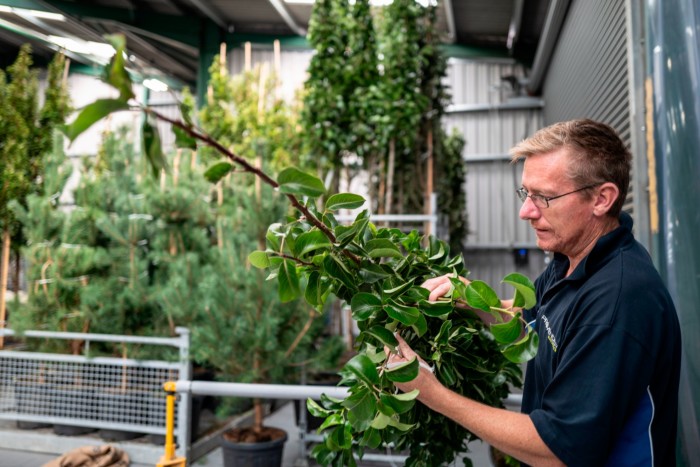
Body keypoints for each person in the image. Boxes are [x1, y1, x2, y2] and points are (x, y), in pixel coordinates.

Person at [387, 119, 681, 466]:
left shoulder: (617, 303)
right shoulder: (570, 259)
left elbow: (557, 450)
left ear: (602, 199)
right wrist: (469, 297)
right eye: (526, 193)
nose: (526, 211)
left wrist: (432, 392)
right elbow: (533, 325)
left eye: (544, 197)